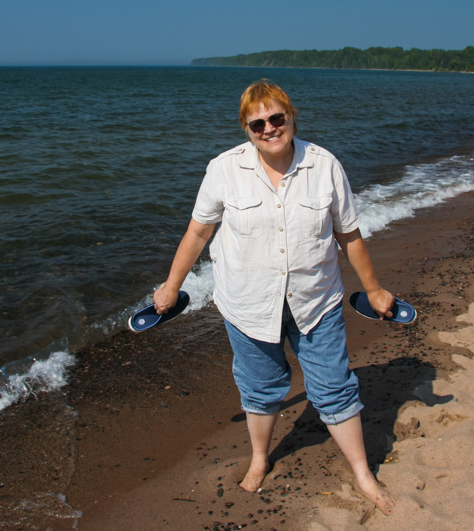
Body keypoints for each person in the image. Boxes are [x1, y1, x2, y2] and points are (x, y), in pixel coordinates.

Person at [153, 79, 396, 515]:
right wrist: (172, 285)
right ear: (246, 129)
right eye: (257, 123)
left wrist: (374, 290)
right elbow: (198, 231)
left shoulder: (324, 165)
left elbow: (350, 236)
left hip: (315, 301)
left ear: (291, 116)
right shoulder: (223, 169)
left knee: (334, 387)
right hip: (248, 304)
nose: (269, 128)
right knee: (261, 389)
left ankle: (362, 471)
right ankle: (261, 458)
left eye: (276, 118)